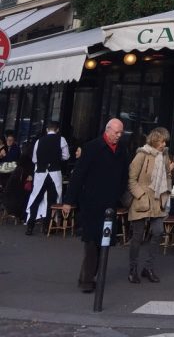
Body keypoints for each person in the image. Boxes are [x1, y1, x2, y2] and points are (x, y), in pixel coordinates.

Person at [63, 118, 129, 293]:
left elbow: (124, 174)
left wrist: (119, 193)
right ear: (107, 131)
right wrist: (69, 201)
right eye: (116, 132)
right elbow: (79, 174)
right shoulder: (92, 147)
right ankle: (87, 280)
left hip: (109, 202)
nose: (119, 136)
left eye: (121, 133)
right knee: (92, 241)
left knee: (103, 242)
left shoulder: (121, 150)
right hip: (91, 201)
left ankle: (90, 275)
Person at [127, 126, 172, 284]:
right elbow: (131, 179)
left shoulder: (164, 156)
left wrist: (166, 193)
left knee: (158, 232)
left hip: (158, 199)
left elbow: (167, 175)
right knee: (137, 236)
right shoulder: (142, 154)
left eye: (165, 141)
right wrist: (140, 195)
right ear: (154, 140)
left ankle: (149, 267)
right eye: (161, 141)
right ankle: (133, 269)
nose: (164, 144)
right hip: (142, 199)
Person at [25, 120, 69, 235]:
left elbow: (35, 159)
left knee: (36, 198)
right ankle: (47, 226)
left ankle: (30, 225)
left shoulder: (39, 141)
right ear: (57, 129)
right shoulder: (61, 139)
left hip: (40, 173)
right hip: (54, 173)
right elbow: (66, 156)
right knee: (52, 200)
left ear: (47, 129)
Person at [2, 153, 34, 222]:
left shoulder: (17, 170)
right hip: (16, 204)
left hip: (6, 200)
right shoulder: (24, 171)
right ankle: (26, 217)